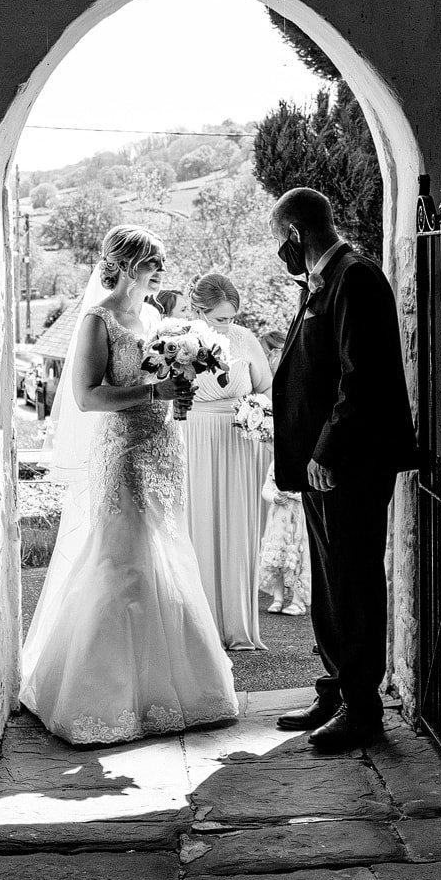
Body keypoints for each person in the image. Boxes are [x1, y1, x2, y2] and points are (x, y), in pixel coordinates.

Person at [17, 225, 240, 745]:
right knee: (121, 560)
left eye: (161, 261)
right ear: (125, 264)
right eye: (151, 262)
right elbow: (88, 398)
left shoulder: (157, 318)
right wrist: (155, 391)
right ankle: (103, 696)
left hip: (162, 449)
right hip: (122, 452)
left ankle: (170, 690)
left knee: (165, 556)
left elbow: (162, 385)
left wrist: (176, 396)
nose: (160, 270)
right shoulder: (99, 321)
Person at [268, 188, 419, 751]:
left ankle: (363, 709)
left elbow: (363, 379)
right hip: (317, 467)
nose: (279, 255)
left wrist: (327, 452)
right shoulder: (323, 281)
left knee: (354, 581)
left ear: (295, 235)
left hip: (347, 464)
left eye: (279, 242)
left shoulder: (356, 278)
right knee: (329, 583)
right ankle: (335, 688)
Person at [178, 272, 275, 650]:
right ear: (198, 311)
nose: (228, 325)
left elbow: (266, 386)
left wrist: (258, 409)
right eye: (220, 318)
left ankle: (238, 624)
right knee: (197, 525)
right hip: (195, 439)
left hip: (240, 441)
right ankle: (200, 628)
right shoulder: (178, 339)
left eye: (232, 317)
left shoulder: (245, 338)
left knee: (237, 528)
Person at [256, 329, 310, 616]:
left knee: (299, 556)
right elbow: (267, 485)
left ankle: (298, 599)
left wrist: (293, 495)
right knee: (277, 560)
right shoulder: (275, 461)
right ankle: (278, 598)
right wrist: (273, 494)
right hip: (278, 521)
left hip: (295, 520)